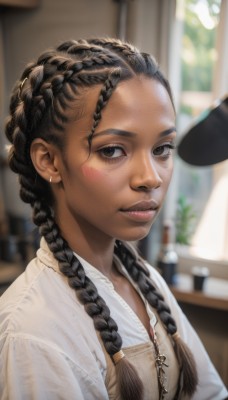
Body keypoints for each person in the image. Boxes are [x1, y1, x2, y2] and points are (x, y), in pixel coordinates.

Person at [0, 38, 227, 400]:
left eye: (162, 149)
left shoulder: (145, 281)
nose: (150, 177)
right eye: (112, 150)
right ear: (49, 161)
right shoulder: (34, 332)